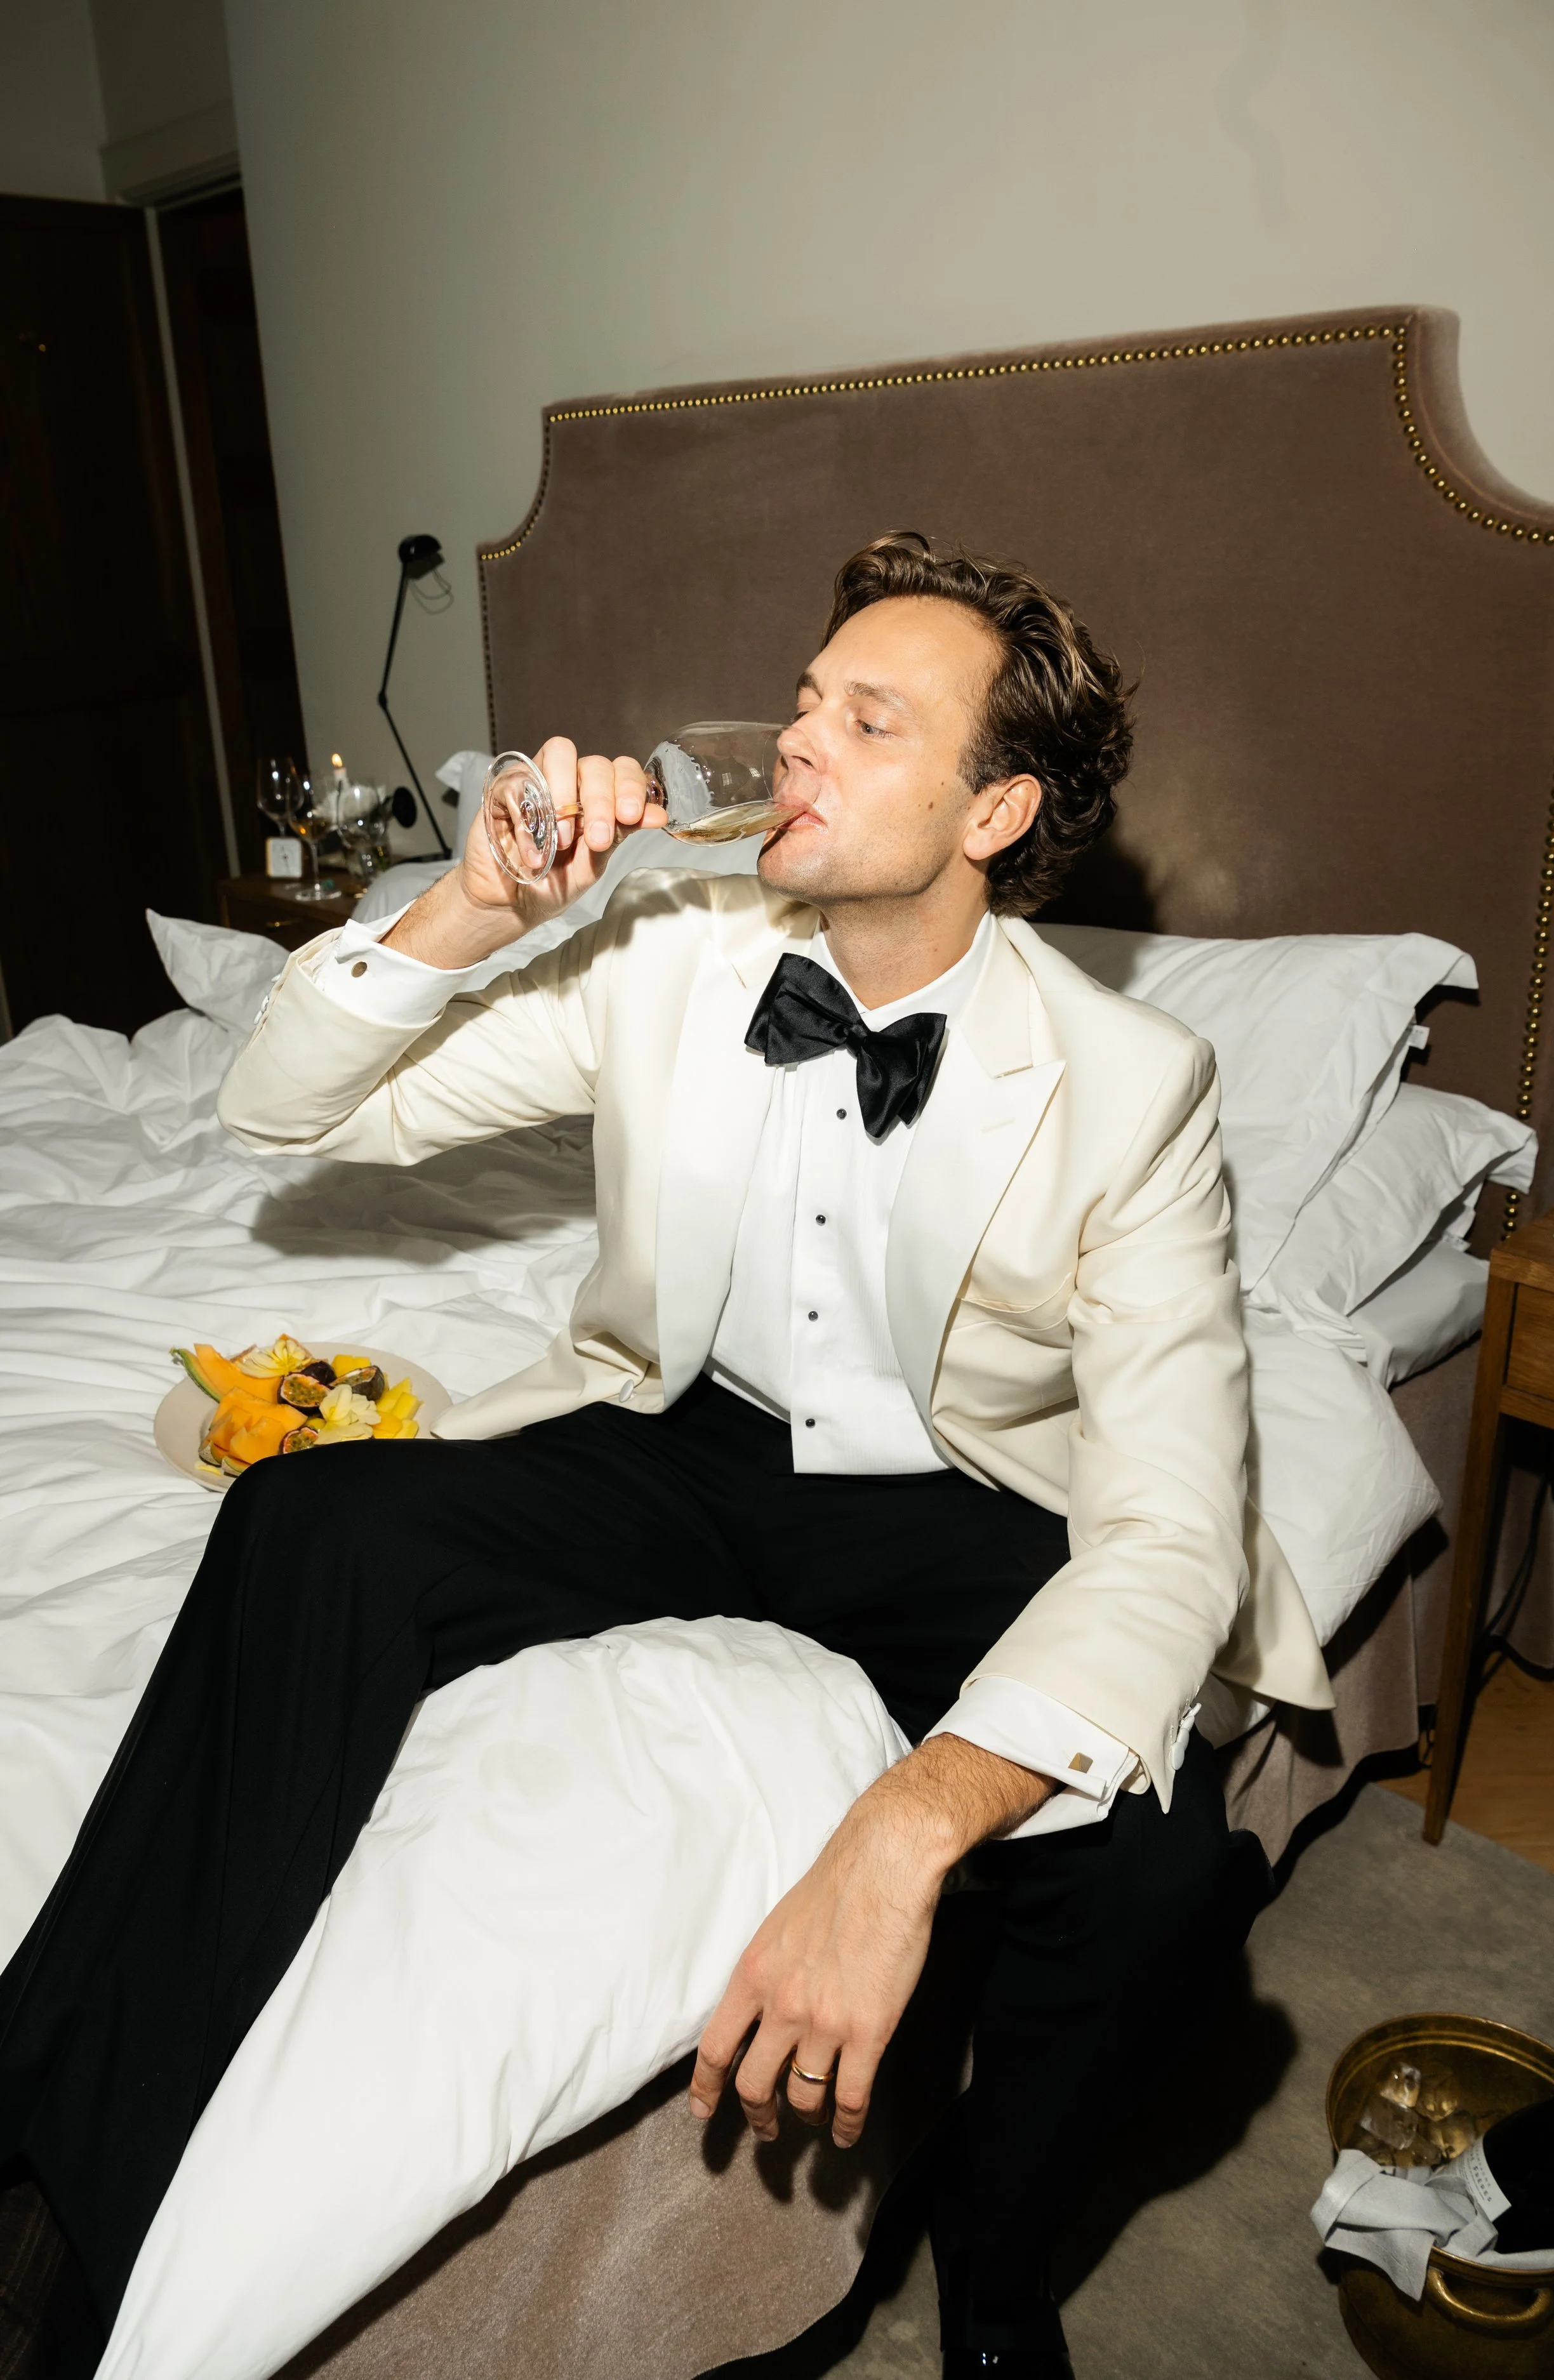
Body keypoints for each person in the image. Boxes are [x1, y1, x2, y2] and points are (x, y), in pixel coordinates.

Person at [0, 532, 1329, 2379]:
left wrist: (901, 1824)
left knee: (1159, 1879)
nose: (797, 741)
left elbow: (1176, 1528)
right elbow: (279, 1104)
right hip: (685, 1429)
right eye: (804, 699)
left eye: (867, 721)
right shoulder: (675, 961)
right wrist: (469, 904)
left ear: (991, 805)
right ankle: (69, 2121)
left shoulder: (1131, 1087)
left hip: (966, 1506)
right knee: (314, 1520)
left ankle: (1004, 2276)